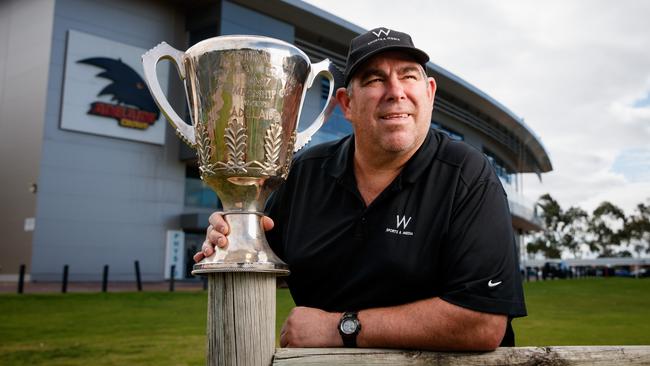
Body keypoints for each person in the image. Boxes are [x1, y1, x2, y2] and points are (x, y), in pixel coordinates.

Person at [194, 27, 526, 351]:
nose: (395, 91)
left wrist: (340, 327)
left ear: (430, 92)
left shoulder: (467, 175)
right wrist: (233, 235)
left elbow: (483, 322)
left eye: (409, 76)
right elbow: (266, 256)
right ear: (346, 104)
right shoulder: (304, 174)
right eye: (374, 79)